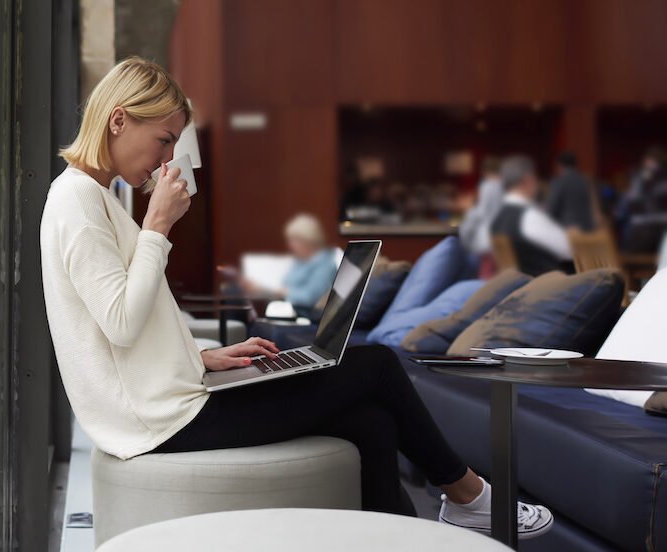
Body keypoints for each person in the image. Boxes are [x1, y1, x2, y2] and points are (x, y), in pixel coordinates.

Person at [40, 57, 552, 537]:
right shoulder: (79, 201)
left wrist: (199, 356)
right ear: (118, 121)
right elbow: (121, 324)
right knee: (375, 366)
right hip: (160, 423)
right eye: (164, 140)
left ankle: (401, 537)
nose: (166, 159)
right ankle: (470, 497)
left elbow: (120, 329)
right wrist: (157, 226)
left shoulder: (90, 197)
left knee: (371, 421)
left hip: (161, 406)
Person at [489, 155, 574, 276]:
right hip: (551, 289)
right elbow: (570, 250)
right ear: (528, 180)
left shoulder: (498, 218)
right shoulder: (529, 216)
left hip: (520, 287)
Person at [458, 156, 503, 256]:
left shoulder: (487, 186)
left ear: (485, 171)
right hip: (502, 236)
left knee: (486, 268)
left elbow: (482, 212)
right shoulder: (505, 186)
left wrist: (469, 210)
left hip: (487, 238)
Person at [545, 151, 596, 231]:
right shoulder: (585, 181)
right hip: (587, 227)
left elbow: (552, 207)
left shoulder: (558, 182)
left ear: (559, 165)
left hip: (566, 228)